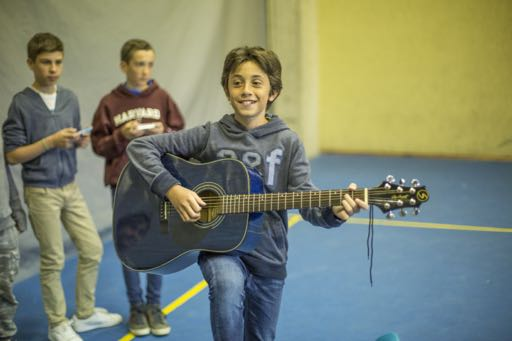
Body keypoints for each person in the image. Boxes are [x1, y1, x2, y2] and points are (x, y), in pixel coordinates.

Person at [125, 46, 369, 341]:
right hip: (220, 250)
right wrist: (173, 189)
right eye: (237, 82)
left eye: (257, 82)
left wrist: (334, 213)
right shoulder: (209, 135)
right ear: (227, 90)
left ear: (273, 92)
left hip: (269, 257)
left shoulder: (288, 142)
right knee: (227, 285)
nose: (246, 90)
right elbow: (141, 146)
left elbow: (307, 200)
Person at [2, 32, 122, 341]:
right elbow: (13, 155)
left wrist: (77, 141)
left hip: (70, 186)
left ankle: (83, 315)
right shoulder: (21, 104)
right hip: (40, 192)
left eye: (58, 62)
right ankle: (57, 325)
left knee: (93, 249)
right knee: (53, 258)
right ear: (31, 64)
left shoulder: (68, 98)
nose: (53, 68)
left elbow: (69, 140)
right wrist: (51, 141)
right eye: (45, 62)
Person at [91, 38, 184, 336]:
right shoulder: (110, 102)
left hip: (158, 183)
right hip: (123, 185)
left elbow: (182, 137)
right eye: (139, 64)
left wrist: (164, 133)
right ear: (124, 66)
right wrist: (120, 135)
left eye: (149, 64)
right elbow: (98, 146)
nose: (145, 70)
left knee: (158, 242)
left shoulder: (163, 98)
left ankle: (154, 305)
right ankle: (136, 307)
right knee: (129, 246)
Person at [0, 137, 27, 341]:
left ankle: (6, 335)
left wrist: (16, 207)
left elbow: (4, 172)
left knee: (5, 286)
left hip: (4, 219)